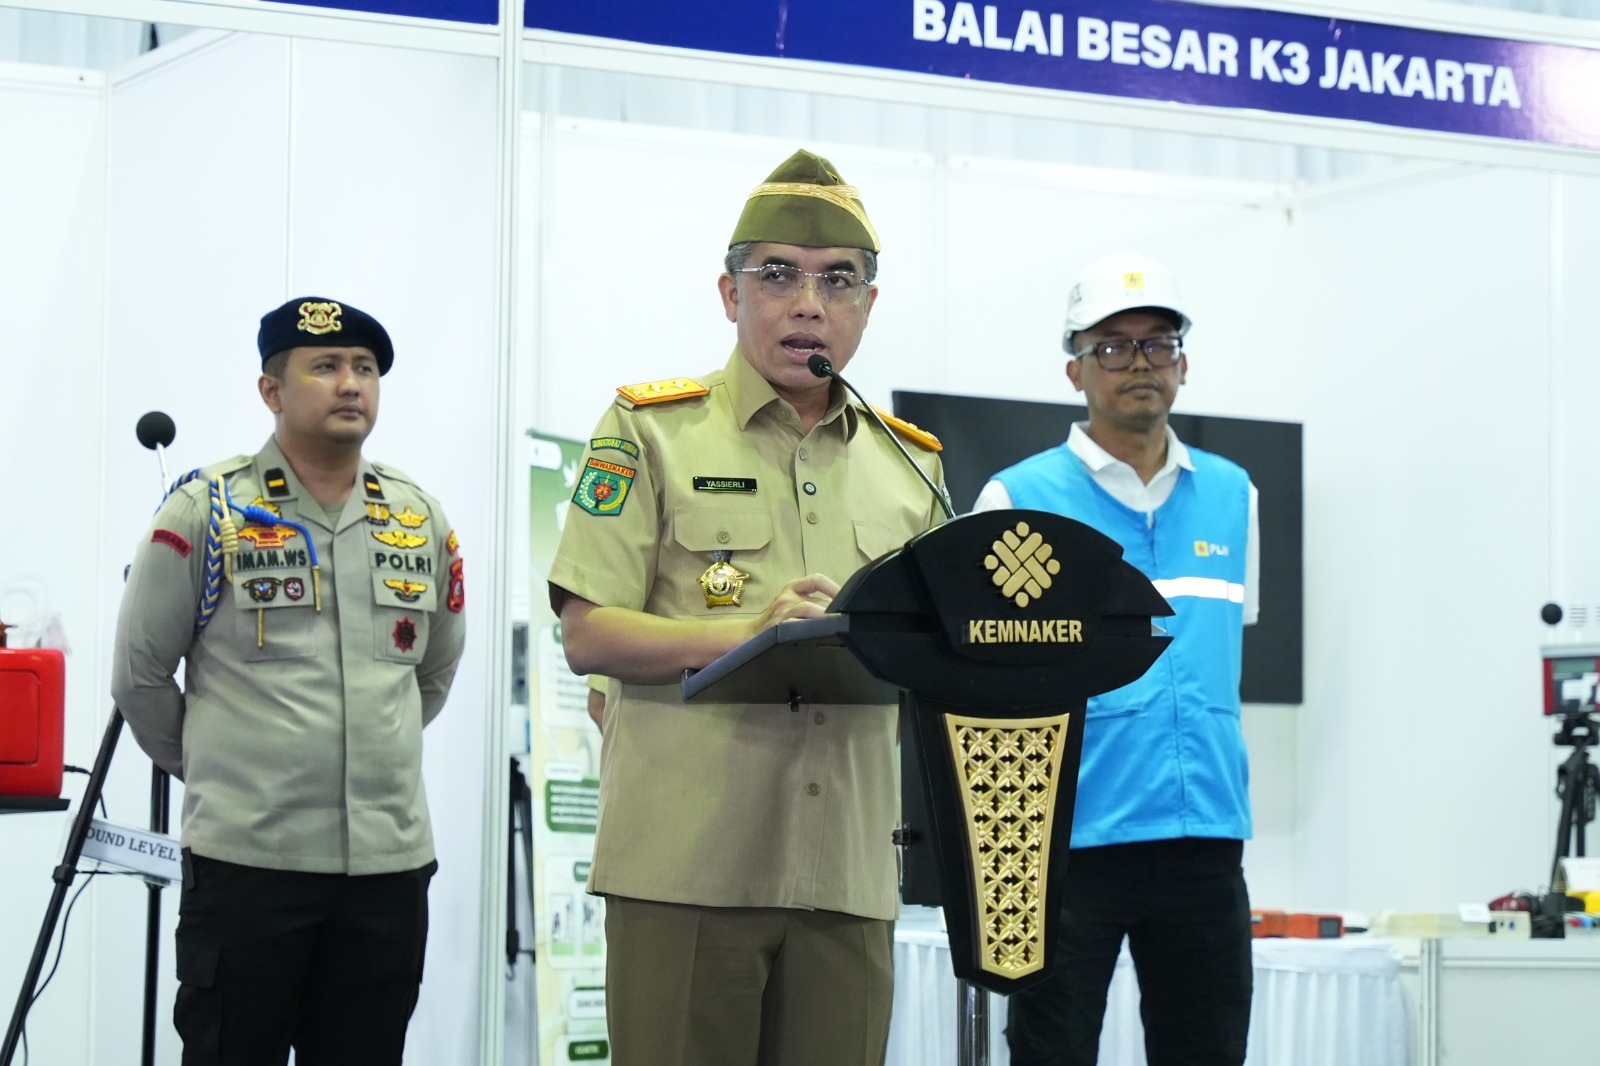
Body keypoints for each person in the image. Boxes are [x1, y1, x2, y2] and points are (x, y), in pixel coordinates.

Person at [546, 149, 946, 1066]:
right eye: (778, 275)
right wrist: (749, 635)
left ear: (868, 305)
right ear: (730, 294)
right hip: (687, 866)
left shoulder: (911, 465)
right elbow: (587, 632)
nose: (809, 303)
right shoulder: (650, 430)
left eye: (837, 280)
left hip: (847, 873)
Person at [111, 297, 466, 1066]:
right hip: (250, 865)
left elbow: (432, 674)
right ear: (271, 390)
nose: (351, 383)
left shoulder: (418, 518)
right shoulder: (208, 510)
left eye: (365, 368)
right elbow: (140, 676)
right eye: (326, 366)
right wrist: (222, 767)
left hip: (387, 870)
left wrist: (365, 751)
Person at [976, 252, 1259, 1066]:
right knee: (1052, 1053)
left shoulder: (1235, 496)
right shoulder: (1017, 500)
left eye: (1158, 343)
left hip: (1205, 836)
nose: (1140, 363)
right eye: (1113, 346)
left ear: (1183, 363)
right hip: (1068, 840)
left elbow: (1223, 651)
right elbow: (987, 686)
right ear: (1074, 368)